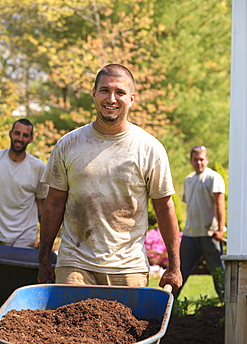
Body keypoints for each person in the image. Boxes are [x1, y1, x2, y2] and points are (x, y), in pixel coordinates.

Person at [38, 63, 182, 292]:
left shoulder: (149, 148)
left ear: (132, 98)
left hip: (128, 267)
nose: (111, 98)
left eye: (120, 92)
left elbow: (164, 208)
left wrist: (174, 265)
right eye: (105, 90)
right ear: (94, 94)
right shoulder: (69, 145)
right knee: (70, 327)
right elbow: (54, 203)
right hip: (75, 262)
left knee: (128, 328)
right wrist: (44, 258)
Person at [175, 145, 226, 299]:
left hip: (209, 233)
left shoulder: (213, 177)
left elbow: (220, 204)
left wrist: (220, 229)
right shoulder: (189, 179)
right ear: (191, 160)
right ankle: (170, 304)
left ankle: (226, 304)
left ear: (207, 159)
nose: (199, 163)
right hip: (191, 234)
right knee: (180, 270)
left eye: (202, 159)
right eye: (196, 159)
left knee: (218, 272)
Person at [0, 118, 48, 248]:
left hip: (25, 235)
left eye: (25, 135)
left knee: (17, 268)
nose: (20, 138)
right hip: (1, 232)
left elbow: (41, 205)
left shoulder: (38, 167)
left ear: (31, 139)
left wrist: (44, 241)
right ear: (10, 133)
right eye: (17, 133)